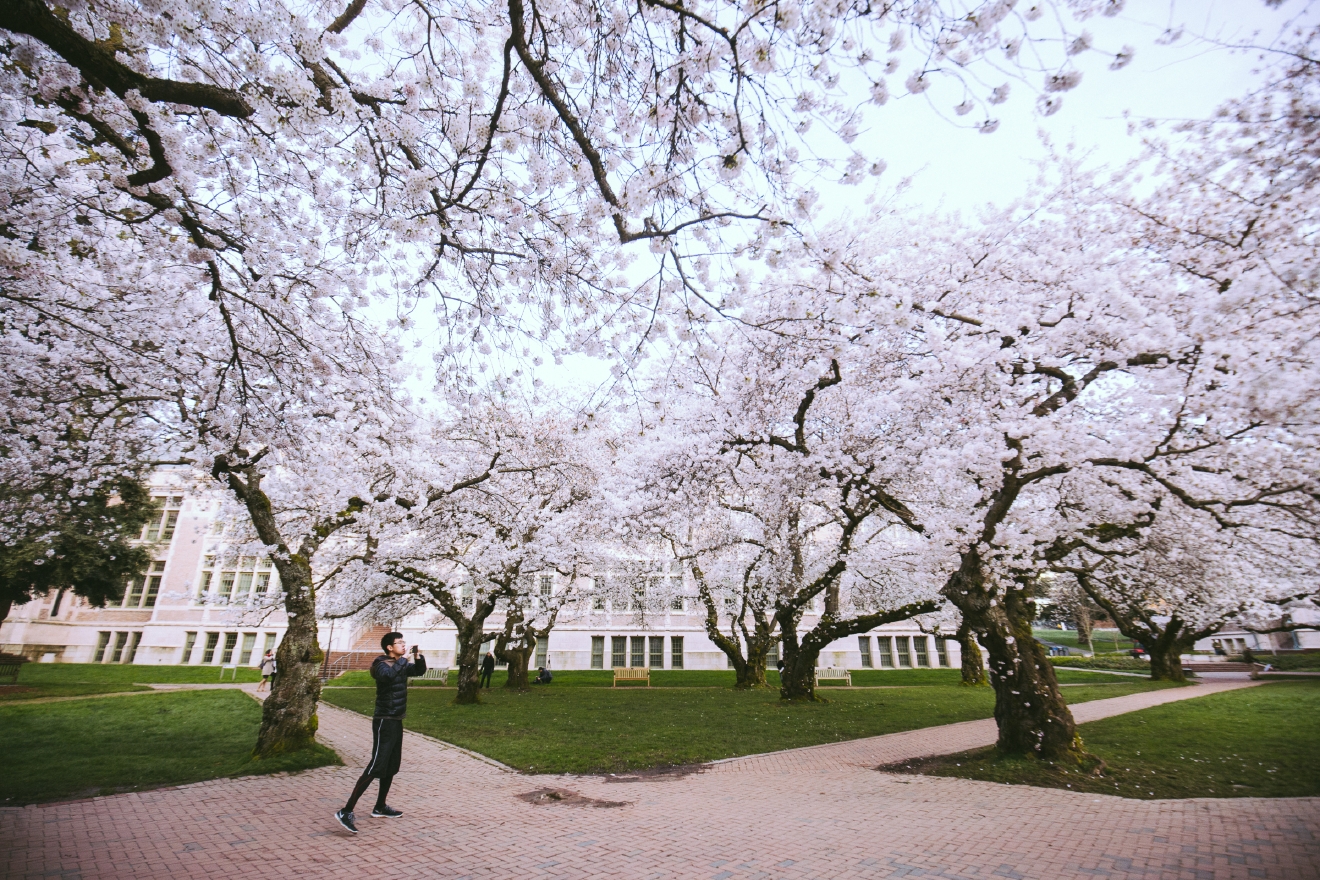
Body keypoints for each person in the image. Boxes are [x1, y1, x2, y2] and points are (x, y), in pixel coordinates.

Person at [334, 632, 425, 834]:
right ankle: (346, 810)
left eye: (404, 642)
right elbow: (387, 676)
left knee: (391, 765)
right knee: (376, 765)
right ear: (389, 647)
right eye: (399, 643)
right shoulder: (380, 664)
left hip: (396, 720)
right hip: (384, 720)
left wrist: (418, 657)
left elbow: (419, 671)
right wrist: (404, 660)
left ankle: (380, 806)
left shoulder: (399, 663)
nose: (403, 645)